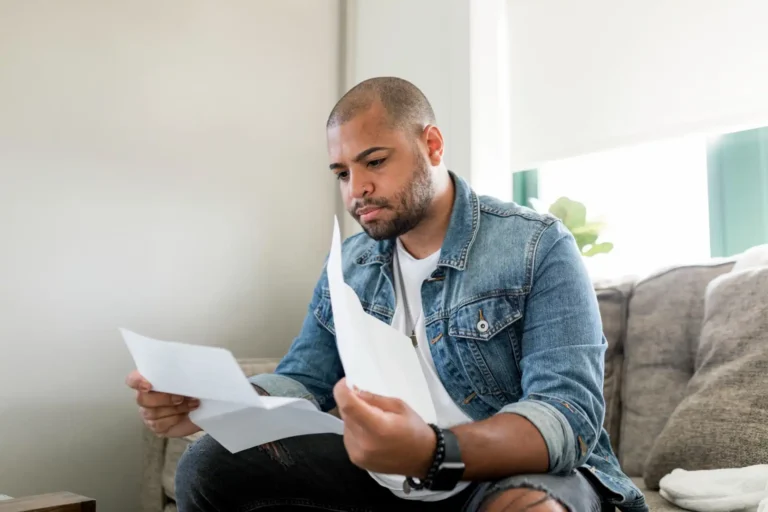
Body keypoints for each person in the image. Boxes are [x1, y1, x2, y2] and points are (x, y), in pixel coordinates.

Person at [126, 77, 647, 512]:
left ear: (432, 145)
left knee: (528, 508)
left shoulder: (535, 245)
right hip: (387, 483)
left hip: (501, 475)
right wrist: (221, 404)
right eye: (342, 172)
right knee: (211, 462)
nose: (356, 190)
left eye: (374, 162)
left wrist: (434, 450)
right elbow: (306, 378)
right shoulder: (351, 263)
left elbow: (567, 415)